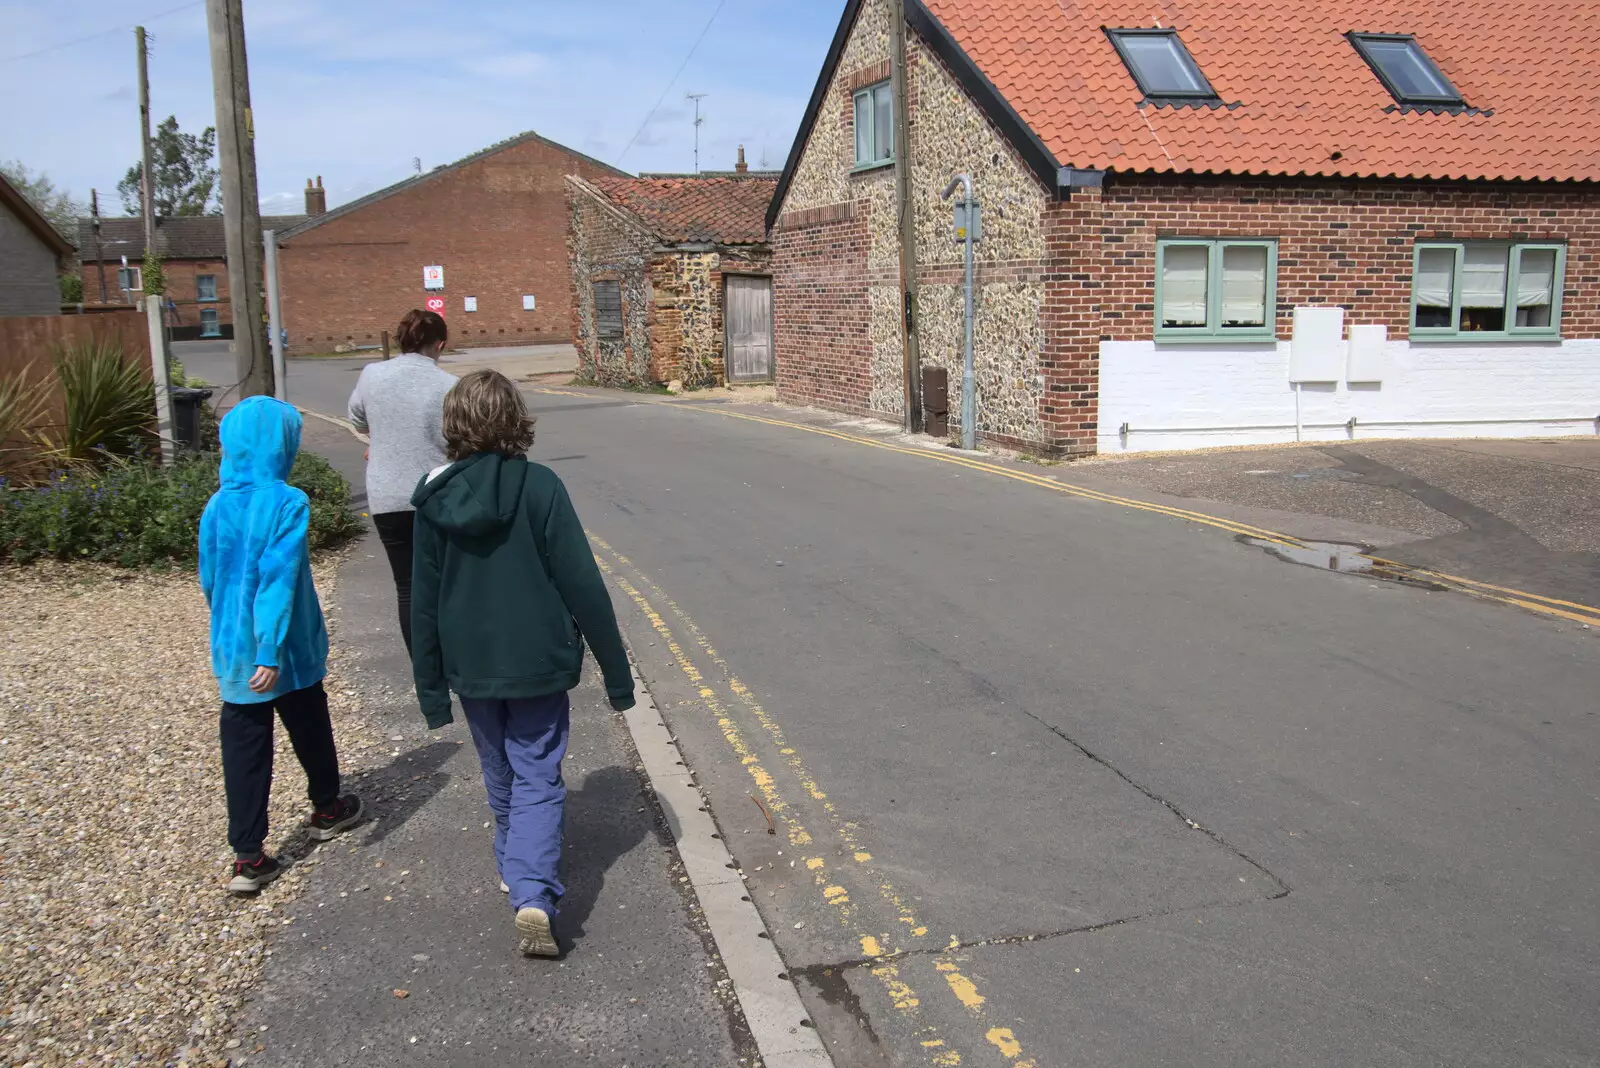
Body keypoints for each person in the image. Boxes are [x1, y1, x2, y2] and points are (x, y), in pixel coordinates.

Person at [410, 370, 635, 957]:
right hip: (538, 659)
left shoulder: (433, 498)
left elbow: (423, 601)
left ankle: (516, 868)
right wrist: (616, 673)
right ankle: (533, 890)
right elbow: (582, 583)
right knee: (537, 771)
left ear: (453, 424)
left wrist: (430, 689)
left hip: (471, 664)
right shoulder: (542, 487)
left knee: (499, 770)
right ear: (516, 419)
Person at [200, 396, 362, 894]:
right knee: (308, 718)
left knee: (245, 744)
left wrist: (235, 632)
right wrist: (268, 646)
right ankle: (327, 806)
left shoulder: (217, 503)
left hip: (233, 643)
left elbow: (210, 576)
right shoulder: (287, 501)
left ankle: (248, 857)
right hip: (284, 646)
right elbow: (277, 577)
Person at [347, 309, 457, 654]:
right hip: (436, 495)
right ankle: (454, 657)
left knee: (407, 587)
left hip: (387, 496)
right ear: (440, 344)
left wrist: (381, 439)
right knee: (445, 584)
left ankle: (424, 668)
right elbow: (458, 439)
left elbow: (356, 417)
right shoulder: (450, 385)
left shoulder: (371, 375)